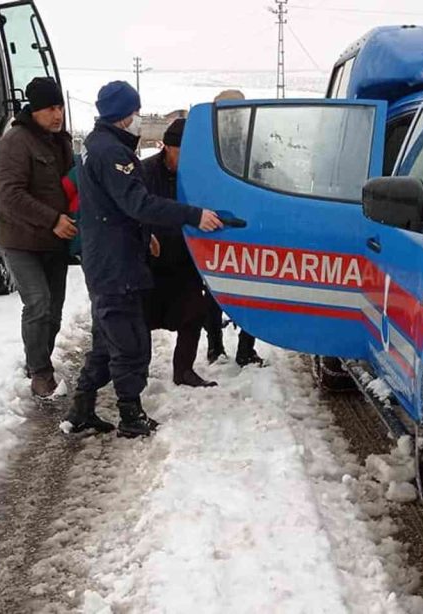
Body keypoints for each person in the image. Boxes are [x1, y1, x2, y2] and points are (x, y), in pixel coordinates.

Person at [63, 81, 224, 438]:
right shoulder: (113, 154)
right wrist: (192, 215)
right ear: (123, 115)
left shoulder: (94, 145)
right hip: (116, 261)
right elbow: (139, 203)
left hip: (107, 254)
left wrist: (143, 234)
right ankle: (130, 415)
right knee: (130, 340)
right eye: (135, 113)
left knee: (107, 338)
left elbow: (113, 207)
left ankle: (82, 408)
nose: (138, 119)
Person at [0, 77, 76, 400]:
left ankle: (38, 359)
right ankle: (40, 372)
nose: (58, 115)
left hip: (55, 241)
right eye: (50, 109)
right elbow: (8, 196)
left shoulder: (61, 142)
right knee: (38, 303)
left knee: (54, 309)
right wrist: (52, 219)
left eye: (60, 107)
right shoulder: (15, 142)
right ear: (35, 110)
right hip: (20, 239)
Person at [142, 118, 217, 388]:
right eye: (181, 152)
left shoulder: (200, 176)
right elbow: (135, 208)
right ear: (167, 148)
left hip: (186, 257)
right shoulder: (145, 172)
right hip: (151, 258)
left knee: (193, 313)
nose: (186, 159)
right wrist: (145, 233)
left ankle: (183, 370)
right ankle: (140, 371)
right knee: (142, 318)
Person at [204, 89, 265, 367]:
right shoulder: (207, 145)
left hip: (248, 229)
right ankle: (215, 346)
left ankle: (245, 348)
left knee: (252, 289)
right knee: (213, 290)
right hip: (215, 227)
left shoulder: (254, 144)